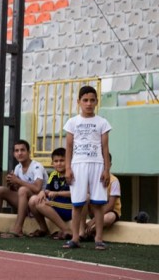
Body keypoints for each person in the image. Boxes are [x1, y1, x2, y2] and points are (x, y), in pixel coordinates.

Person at [63, 85, 111, 251]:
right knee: (77, 204)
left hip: (97, 165)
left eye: (92, 100)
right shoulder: (72, 122)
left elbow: (105, 148)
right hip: (78, 165)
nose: (88, 103)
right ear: (79, 102)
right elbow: (68, 147)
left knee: (98, 204)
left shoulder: (102, 122)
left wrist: (106, 170)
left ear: (97, 102)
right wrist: (68, 168)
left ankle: (99, 238)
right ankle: (75, 238)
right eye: (85, 100)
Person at [0, 140, 47, 238]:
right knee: (0, 190)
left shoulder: (37, 166)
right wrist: (12, 184)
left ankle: (18, 229)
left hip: (38, 203)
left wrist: (18, 181)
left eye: (22, 150)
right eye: (17, 151)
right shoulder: (18, 167)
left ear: (28, 152)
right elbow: (16, 190)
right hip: (24, 202)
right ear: (14, 154)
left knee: (23, 190)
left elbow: (37, 189)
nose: (19, 153)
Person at [27, 147, 72, 240]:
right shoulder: (53, 174)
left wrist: (57, 194)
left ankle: (66, 230)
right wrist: (42, 192)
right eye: (56, 161)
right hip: (56, 205)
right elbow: (47, 190)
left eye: (62, 160)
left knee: (40, 204)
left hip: (69, 207)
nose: (59, 163)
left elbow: (76, 193)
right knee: (33, 200)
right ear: (52, 163)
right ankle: (44, 229)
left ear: (68, 161)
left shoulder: (72, 174)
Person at [81, 153, 121, 241]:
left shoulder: (114, 181)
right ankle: (81, 231)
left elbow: (110, 206)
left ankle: (90, 231)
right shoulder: (91, 179)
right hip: (93, 211)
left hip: (109, 212)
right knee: (84, 197)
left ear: (109, 165)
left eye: (105, 163)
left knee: (109, 218)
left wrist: (93, 221)